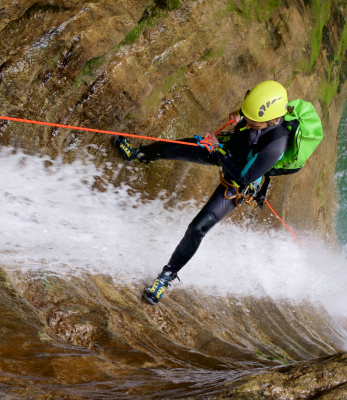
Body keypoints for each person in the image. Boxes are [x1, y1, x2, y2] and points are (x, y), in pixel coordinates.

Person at [114, 81, 291, 305]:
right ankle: (138, 155)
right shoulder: (259, 109)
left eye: (251, 120)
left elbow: (243, 177)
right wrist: (239, 117)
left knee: (197, 229)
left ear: (273, 120)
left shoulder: (275, 145)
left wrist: (217, 149)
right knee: (171, 147)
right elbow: (248, 115)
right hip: (226, 150)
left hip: (236, 181)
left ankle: (166, 276)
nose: (247, 120)